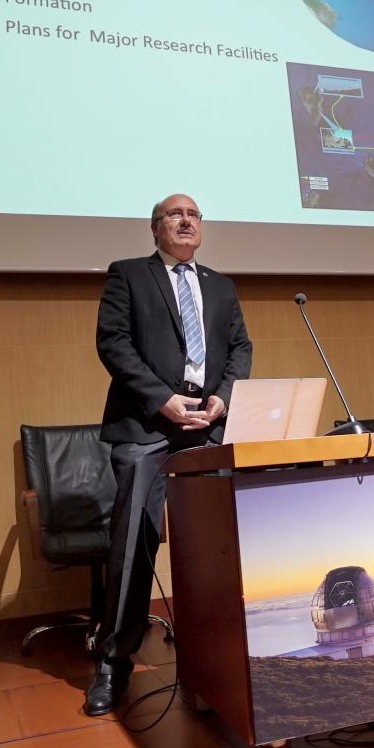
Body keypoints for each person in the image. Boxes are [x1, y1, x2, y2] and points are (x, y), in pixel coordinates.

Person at [87, 192, 252, 715]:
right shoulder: (129, 274)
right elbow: (112, 342)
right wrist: (162, 400)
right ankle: (112, 664)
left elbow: (240, 348)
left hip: (208, 428)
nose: (187, 221)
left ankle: (214, 655)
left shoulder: (220, 286)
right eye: (175, 215)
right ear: (155, 228)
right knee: (135, 541)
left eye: (195, 214)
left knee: (218, 543)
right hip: (147, 428)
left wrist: (223, 396)